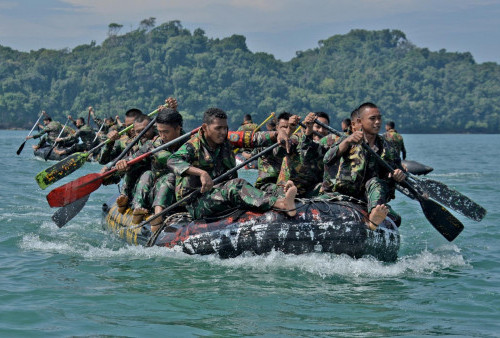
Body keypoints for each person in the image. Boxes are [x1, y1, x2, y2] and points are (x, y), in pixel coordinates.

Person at [167, 107, 297, 220]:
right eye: (218, 128)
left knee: (255, 189)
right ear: (205, 128)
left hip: (221, 194)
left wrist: (277, 133)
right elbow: (172, 161)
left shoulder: (227, 139)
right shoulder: (193, 145)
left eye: (225, 128)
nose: (223, 132)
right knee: (237, 185)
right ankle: (282, 204)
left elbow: (253, 138)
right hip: (198, 202)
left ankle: (283, 198)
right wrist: (201, 173)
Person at [322, 102, 405, 229]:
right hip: (341, 194)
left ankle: (374, 217)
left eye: (379, 118)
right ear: (360, 121)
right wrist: (347, 142)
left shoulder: (388, 147)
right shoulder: (346, 139)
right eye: (372, 119)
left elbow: (398, 171)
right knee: (316, 202)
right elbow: (327, 159)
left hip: (369, 199)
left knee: (376, 184)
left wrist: (399, 175)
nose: (377, 122)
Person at [124, 107, 185, 229]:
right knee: (147, 174)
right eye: (160, 132)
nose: (162, 136)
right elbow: (132, 160)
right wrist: (122, 164)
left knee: (171, 176)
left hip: (181, 191)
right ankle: (139, 209)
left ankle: (159, 215)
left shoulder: (190, 143)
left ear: (178, 129)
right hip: (155, 192)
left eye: (166, 132)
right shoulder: (152, 144)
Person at [276, 112, 328, 198]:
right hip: (286, 189)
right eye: (317, 127)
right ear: (308, 126)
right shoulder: (295, 139)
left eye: (324, 127)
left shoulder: (327, 145)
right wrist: (288, 130)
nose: (321, 131)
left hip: (309, 191)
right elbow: (279, 151)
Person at [113, 114, 158, 212]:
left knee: (148, 174)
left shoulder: (159, 140)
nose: (142, 134)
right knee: (132, 170)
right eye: (138, 131)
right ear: (134, 132)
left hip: (155, 183)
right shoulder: (132, 145)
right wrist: (119, 166)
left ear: (152, 128)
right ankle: (125, 198)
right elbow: (119, 165)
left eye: (145, 130)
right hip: (136, 185)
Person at [254, 112, 297, 194]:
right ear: (277, 127)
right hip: (267, 185)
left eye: (289, 127)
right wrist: (288, 132)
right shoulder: (268, 141)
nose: (286, 129)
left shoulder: (294, 142)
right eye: (283, 127)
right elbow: (278, 152)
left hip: (288, 183)